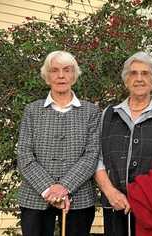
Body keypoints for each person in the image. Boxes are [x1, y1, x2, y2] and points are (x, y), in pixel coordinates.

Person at [94, 51, 152, 236]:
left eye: (145, 73)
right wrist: (110, 192)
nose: (139, 78)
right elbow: (98, 159)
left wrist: (143, 193)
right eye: (133, 73)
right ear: (126, 80)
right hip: (116, 205)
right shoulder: (108, 114)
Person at [17, 51, 101, 236]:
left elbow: (91, 155)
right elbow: (24, 154)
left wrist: (65, 187)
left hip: (79, 198)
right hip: (34, 196)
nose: (61, 75)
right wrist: (49, 189)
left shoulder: (91, 112)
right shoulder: (32, 111)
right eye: (54, 70)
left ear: (74, 75)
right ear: (47, 77)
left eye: (67, 70)